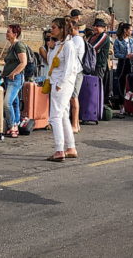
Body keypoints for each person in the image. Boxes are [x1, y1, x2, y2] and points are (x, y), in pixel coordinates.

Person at [47, 17, 84, 162]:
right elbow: (51, 63)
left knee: (54, 116)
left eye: (54, 27)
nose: (52, 30)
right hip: (57, 81)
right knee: (62, 115)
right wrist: (51, 48)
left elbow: (70, 68)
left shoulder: (68, 45)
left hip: (62, 83)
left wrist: (60, 83)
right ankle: (70, 147)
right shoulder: (59, 45)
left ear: (62, 29)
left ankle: (59, 149)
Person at [0, 24, 28, 137]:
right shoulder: (11, 46)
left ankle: (12, 125)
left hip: (15, 79)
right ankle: (16, 124)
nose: (6, 34)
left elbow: (23, 62)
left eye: (8, 32)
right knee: (15, 103)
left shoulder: (18, 45)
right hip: (8, 78)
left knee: (7, 103)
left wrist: (13, 73)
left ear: (15, 34)